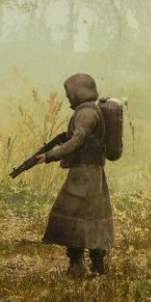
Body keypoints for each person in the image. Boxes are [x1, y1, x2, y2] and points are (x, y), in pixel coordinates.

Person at [34, 72, 116, 277]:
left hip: (83, 174)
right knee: (93, 216)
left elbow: (77, 140)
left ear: (79, 91)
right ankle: (97, 264)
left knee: (72, 216)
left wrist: (50, 155)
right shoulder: (91, 111)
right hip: (92, 172)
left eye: (69, 92)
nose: (68, 97)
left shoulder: (86, 114)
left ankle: (77, 265)